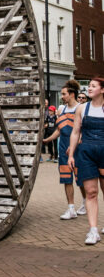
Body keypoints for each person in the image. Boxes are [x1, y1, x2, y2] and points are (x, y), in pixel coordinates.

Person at [67, 77, 104, 245]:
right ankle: (93, 230)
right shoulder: (82, 108)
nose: (89, 88)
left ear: (102, 90)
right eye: (88, 85)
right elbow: (75, 132)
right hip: (86, 153)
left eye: (93, 86)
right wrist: (71, 154)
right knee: (91, 192)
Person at [43, 80, 86, 220]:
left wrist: (75, 144)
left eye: (64, 94)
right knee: (66, 179)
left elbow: (84, 131)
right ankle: (71, 208)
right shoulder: (61, 110)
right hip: (63, 148)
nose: (62, 96)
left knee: (81, 180)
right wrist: (47, 140)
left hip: (78, 149)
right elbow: (59, 130)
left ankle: (85, 203)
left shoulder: (82, 108)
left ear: (71, 94)